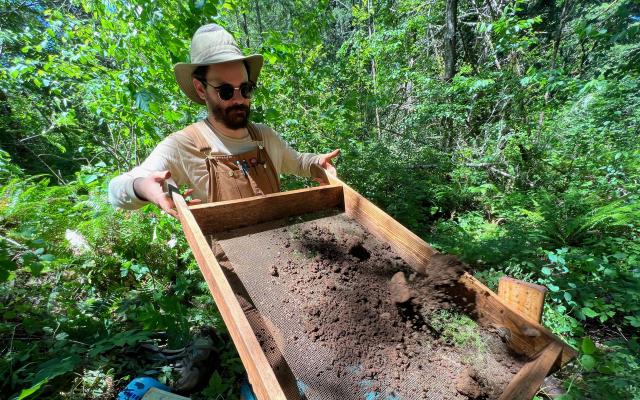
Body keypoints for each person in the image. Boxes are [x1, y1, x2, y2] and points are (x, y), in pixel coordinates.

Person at [108, 23, 340, 216]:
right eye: (226, 91)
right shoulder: (184, 145)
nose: (239, 99)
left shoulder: (264, 136)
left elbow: (299, 162)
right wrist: (142, 187)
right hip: (226, 269)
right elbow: (116, 190)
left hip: (282, 257)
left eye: (246, 89)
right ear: (201, 89)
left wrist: (318, 163)